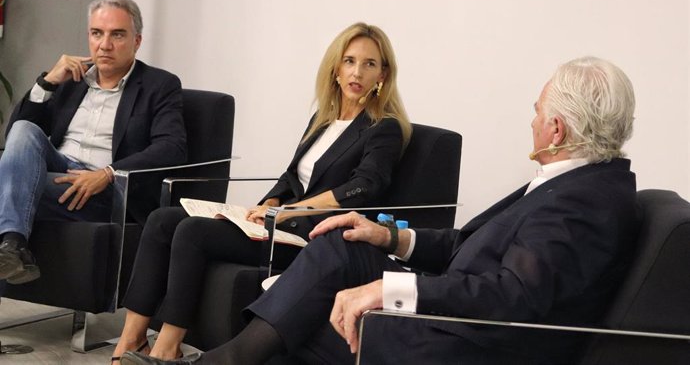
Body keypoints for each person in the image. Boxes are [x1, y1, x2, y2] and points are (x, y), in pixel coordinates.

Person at [123, 56, 640, 365]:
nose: (531, 121)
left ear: (557, 131)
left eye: (537, 112)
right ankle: (230, 361)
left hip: (467, 343)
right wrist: (389, 238)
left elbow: (511, 296)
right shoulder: (573, 184)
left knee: (305, 318)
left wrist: (390, 289)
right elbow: (468, 247)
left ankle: (228, 360)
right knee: (341, 246)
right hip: (459, 312)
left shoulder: (582, 204)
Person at [112, 22, 412, 362]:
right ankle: (130, 342)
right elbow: (291, 177)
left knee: (193, 232)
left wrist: (293, 210)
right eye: (350, 61)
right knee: (161, 220)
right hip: (279, 222)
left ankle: (167, 350)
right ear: (336, 69)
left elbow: (364, 187)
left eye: (369, 64)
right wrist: (270, 202)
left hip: (311, 240)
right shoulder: (324, 119)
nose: (357, 71)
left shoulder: (383, 127)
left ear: (383, 74)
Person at [0, 0, 187, 285]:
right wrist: (47, 82)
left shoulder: (159, 85)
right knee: (25, 130)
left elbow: (172, 148)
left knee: (7, 184)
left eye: (117, 35)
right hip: (57, 173)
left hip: (106, 190)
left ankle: (12, 245)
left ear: (137, 41)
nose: (105, 45)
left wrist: (108, 173)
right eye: (97, 33)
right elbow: (17, 135)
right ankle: (12, 244)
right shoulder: (71, 79)